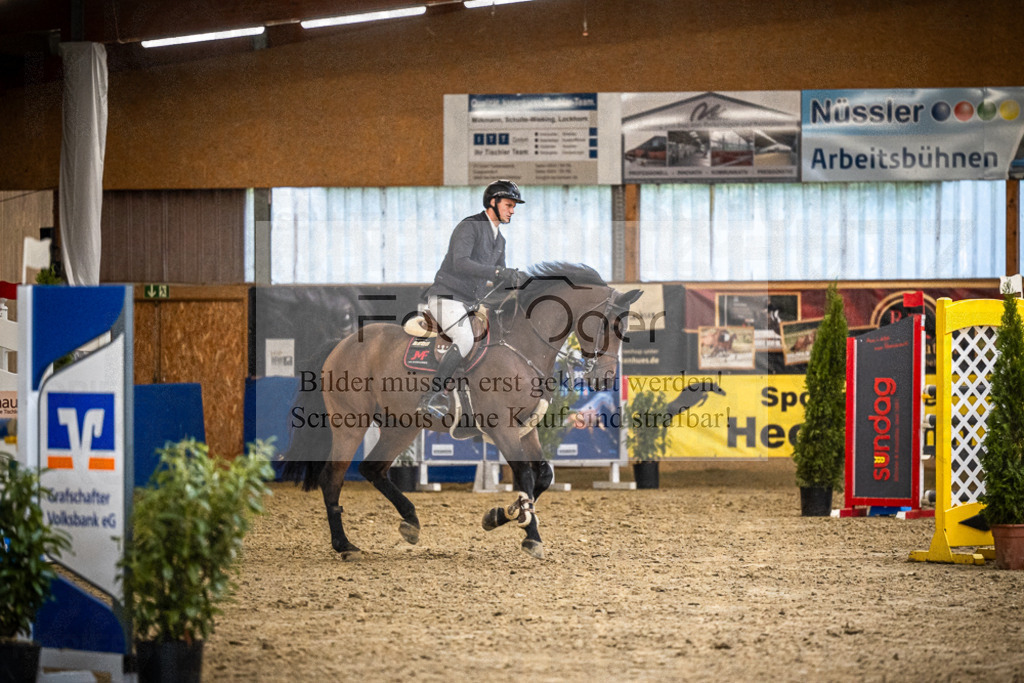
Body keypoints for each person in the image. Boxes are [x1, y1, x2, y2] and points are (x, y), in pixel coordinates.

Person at [415, 180, 526, 419]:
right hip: (447, 296)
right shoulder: (470, 226)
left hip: (469, 305)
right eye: (509, 205)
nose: (512, 210)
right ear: (493, 203)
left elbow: (499, 280)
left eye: (513, 206)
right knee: (465, 338)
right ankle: (433, 395)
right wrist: (497, 272)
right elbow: (461, 263)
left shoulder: (500, 240)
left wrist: (516, 281)